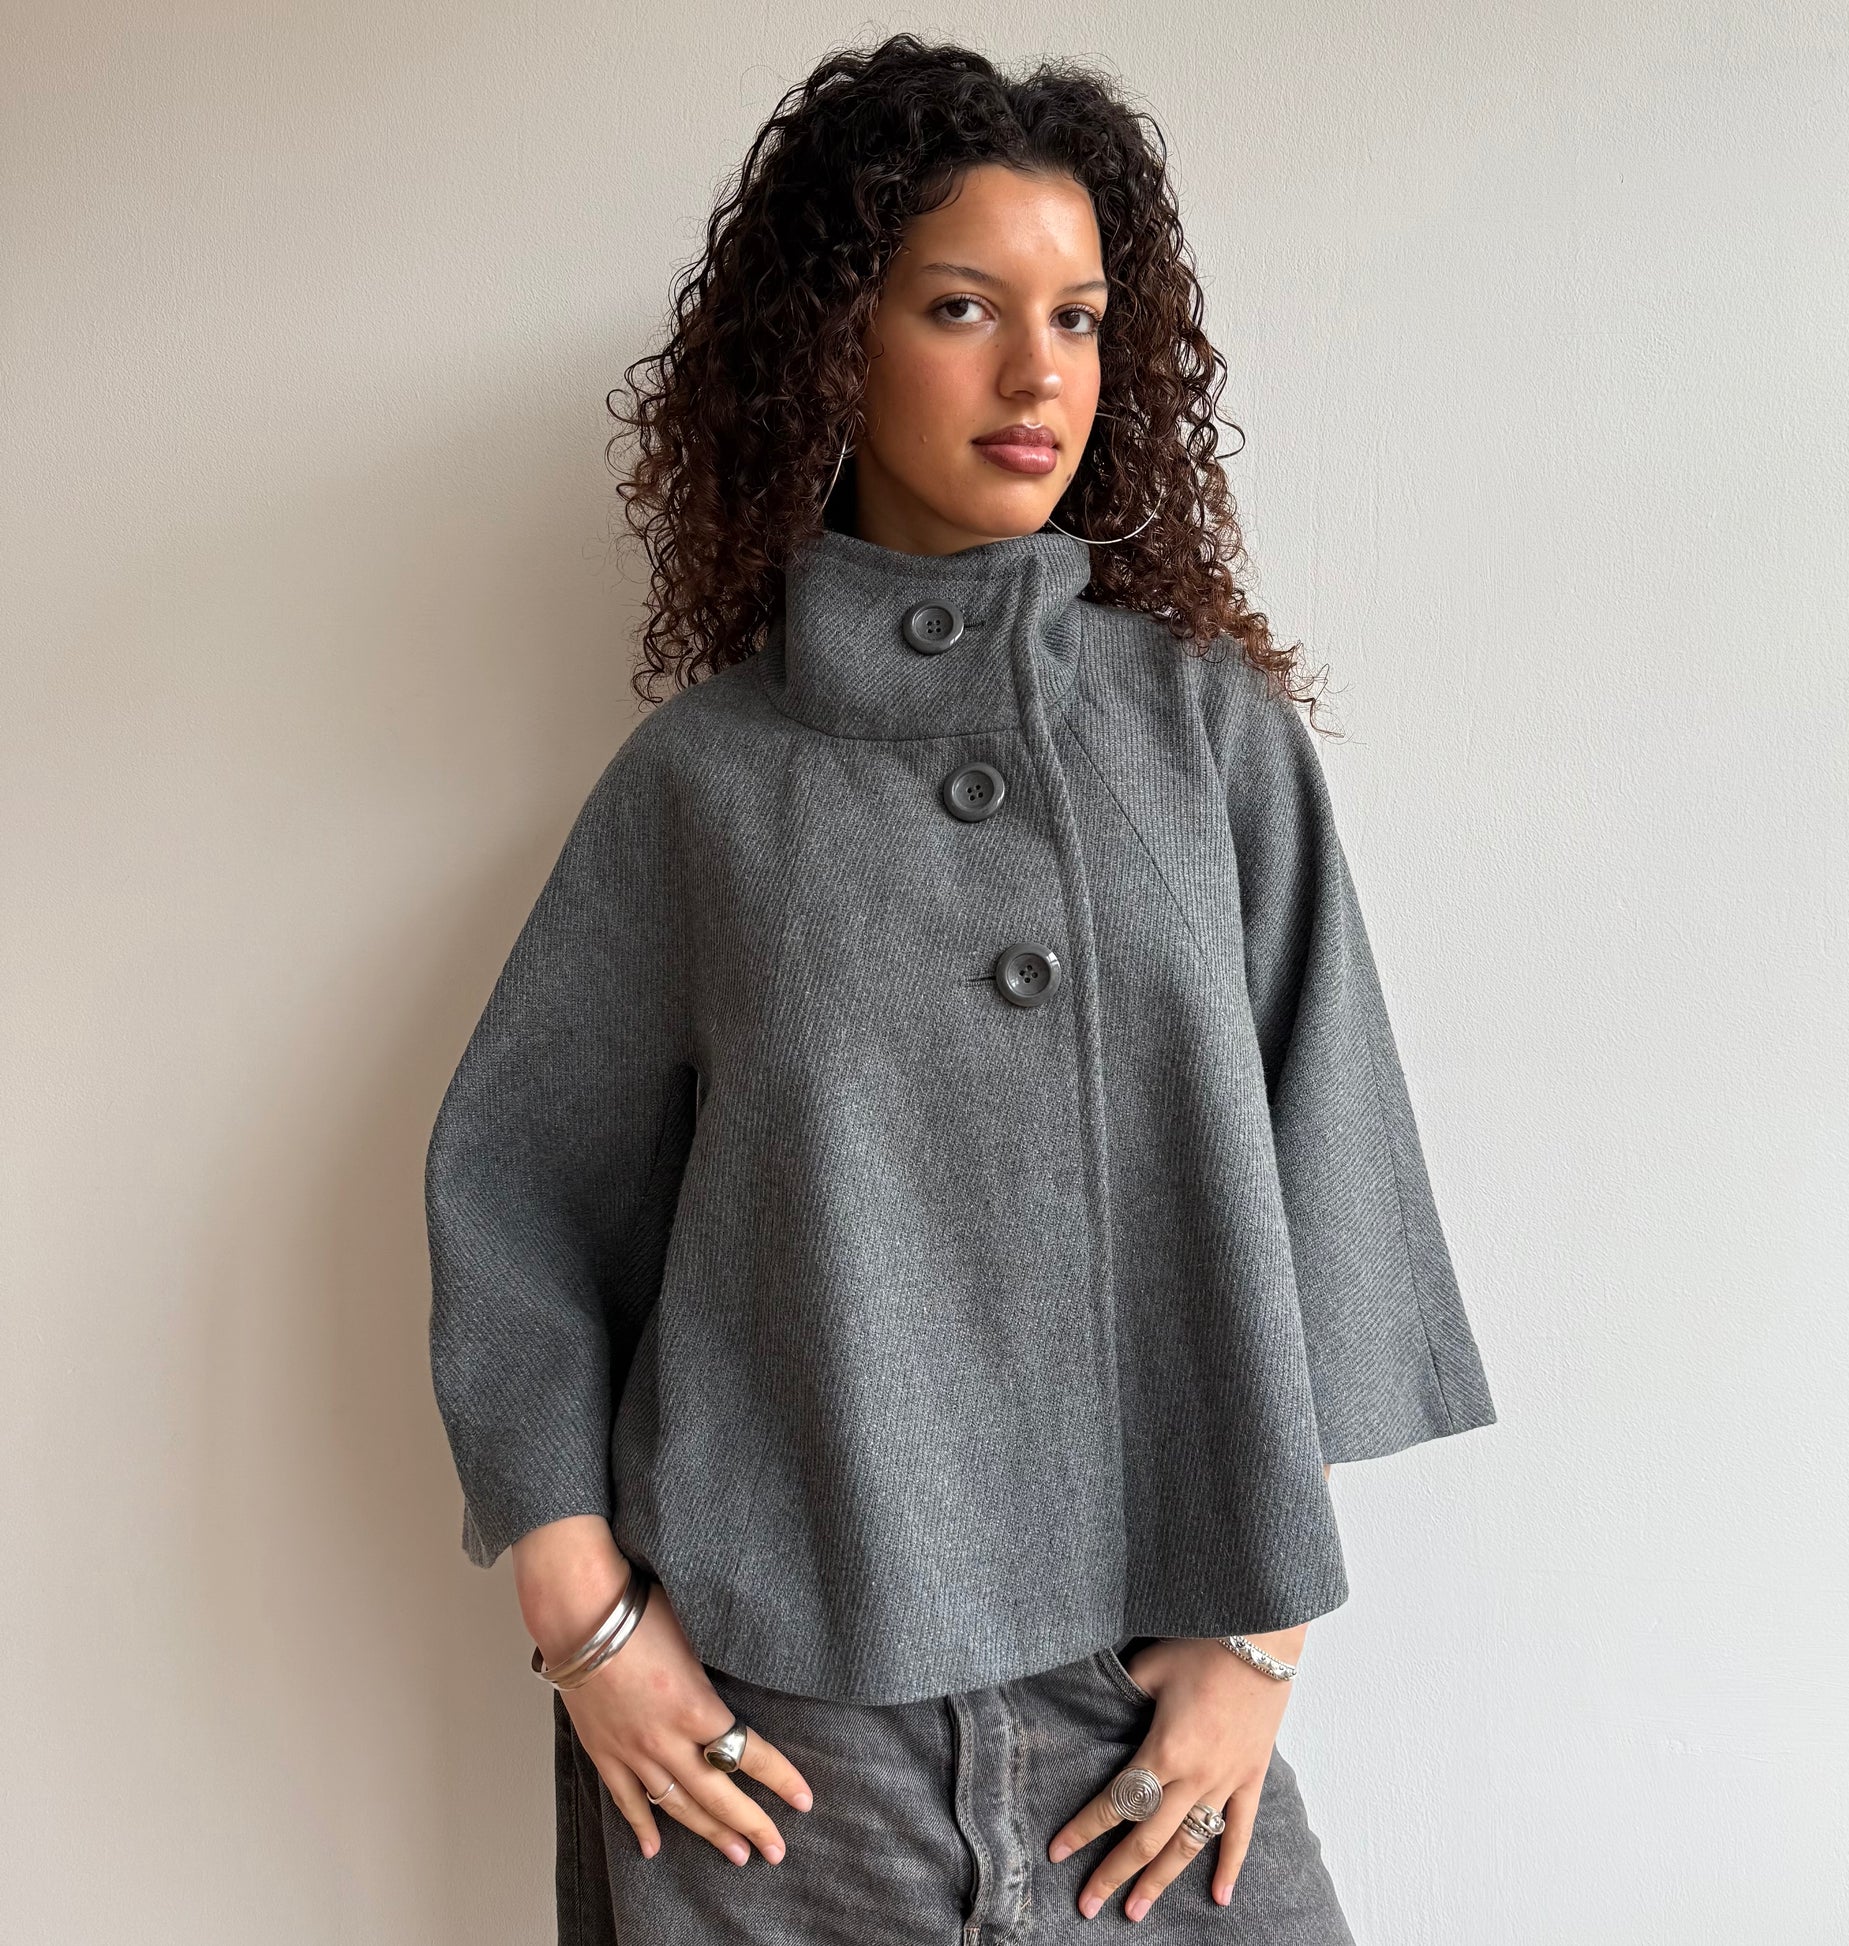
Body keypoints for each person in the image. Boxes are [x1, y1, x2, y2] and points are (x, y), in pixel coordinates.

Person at [426, 33, 1497, 1943]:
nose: (1037, 373)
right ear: (832, 342)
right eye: (961, 307)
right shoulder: (703, 784)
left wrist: (1257, 1640)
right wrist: (583, 1619)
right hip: (770, 1737)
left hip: (1145, 1716)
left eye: (1076, 316)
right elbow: (519, 1193)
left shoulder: (1205, 741)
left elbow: (1330, 1159)